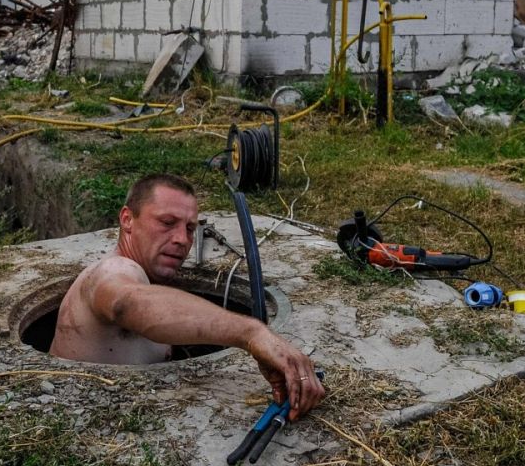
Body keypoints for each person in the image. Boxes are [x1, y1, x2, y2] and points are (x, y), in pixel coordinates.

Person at [51, 173, 326, 419]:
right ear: (127, 220)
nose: (182, 239)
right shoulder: (113, 270)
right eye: (167, 222)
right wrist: (252, 333)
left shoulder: (147, 277)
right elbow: (127, 302)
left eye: (190, 228)